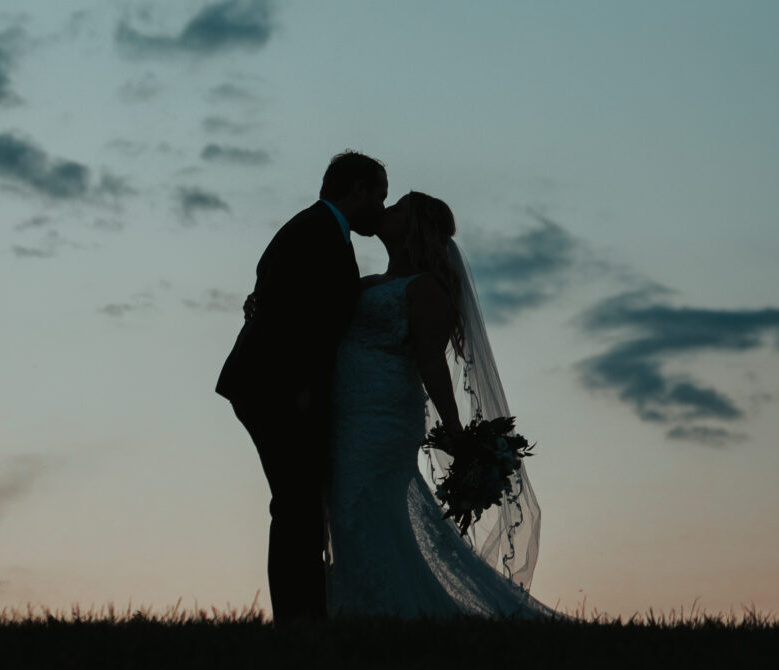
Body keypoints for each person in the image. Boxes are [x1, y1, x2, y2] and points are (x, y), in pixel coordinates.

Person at [324, 189, 558, 617]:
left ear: (413, 228)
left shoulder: (427, 290)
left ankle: (387, 612)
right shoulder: (367, 284)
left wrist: (455, 432)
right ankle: (363, 609)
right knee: (348, 512)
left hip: (385, 418)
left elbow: (431, 363)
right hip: (346, 416)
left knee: (367, 509)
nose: (385, 209)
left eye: (396, 209)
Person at [216, 150, 388, 622]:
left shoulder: (317, 229)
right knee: (297, 506)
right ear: (357, 189)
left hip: (268, 383)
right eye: (379, 195)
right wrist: (300, 385)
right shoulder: (315, 232)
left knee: (297, 505)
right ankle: (300, 619)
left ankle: (304, 616)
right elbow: (289, 314)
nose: (380, 208)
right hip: (274, 386)